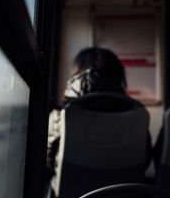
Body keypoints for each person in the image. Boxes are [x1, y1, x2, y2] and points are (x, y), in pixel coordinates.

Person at [47, 47, 127, 176]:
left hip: (69, 194)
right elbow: (144, 159)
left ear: (76, 72)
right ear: (118, 76)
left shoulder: (60, 114)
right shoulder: (136, 113)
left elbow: (48, 161)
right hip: (123, 193)